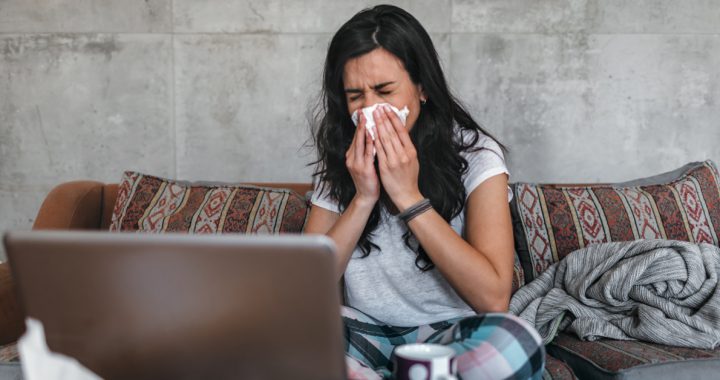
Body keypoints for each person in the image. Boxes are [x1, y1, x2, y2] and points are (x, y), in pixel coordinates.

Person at [304, 5, 545, 379]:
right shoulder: (343, 158)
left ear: (422, 88)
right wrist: (363, 197)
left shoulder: (476, 154)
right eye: (355, 96)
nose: (370, 109)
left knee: (514, 343)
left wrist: (410, 199)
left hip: (452, 335)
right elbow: (304, 289)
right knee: (290, 334)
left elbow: (493, 298)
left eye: (384, 91)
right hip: (367, 331)